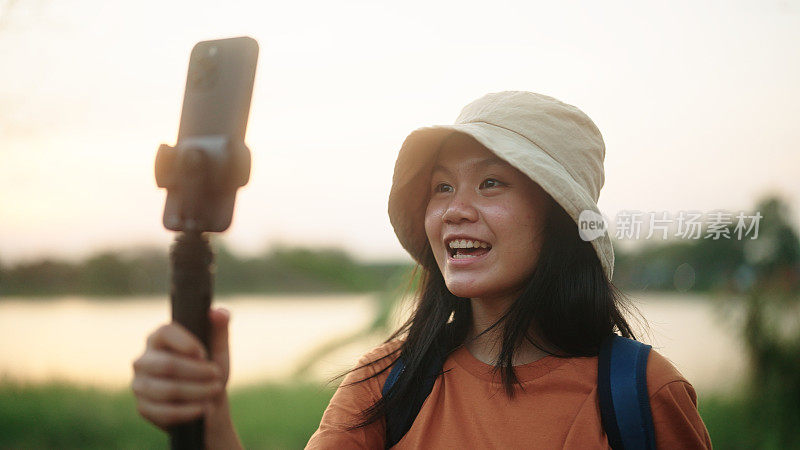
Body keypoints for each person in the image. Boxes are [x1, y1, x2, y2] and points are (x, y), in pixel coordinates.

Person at [132, 91, 713, 449]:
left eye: (491, 182)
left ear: (560, 217)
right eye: (441, 186)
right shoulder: (387, 386)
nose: (455, 208)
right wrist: (207, 416)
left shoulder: (640, 394)